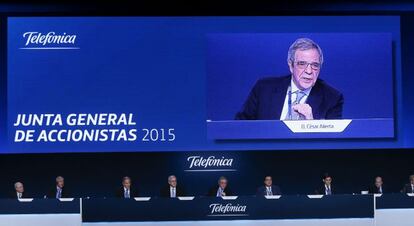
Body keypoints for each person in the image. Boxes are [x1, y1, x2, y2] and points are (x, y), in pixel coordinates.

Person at [236, 38, 343, 120]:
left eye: (315, 65)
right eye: (302, 64)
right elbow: (241, 126)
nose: (309, 71)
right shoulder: (264, 89)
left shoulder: (332, 98)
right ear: (291, 66)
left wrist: (311, 124)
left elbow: (331, 142)